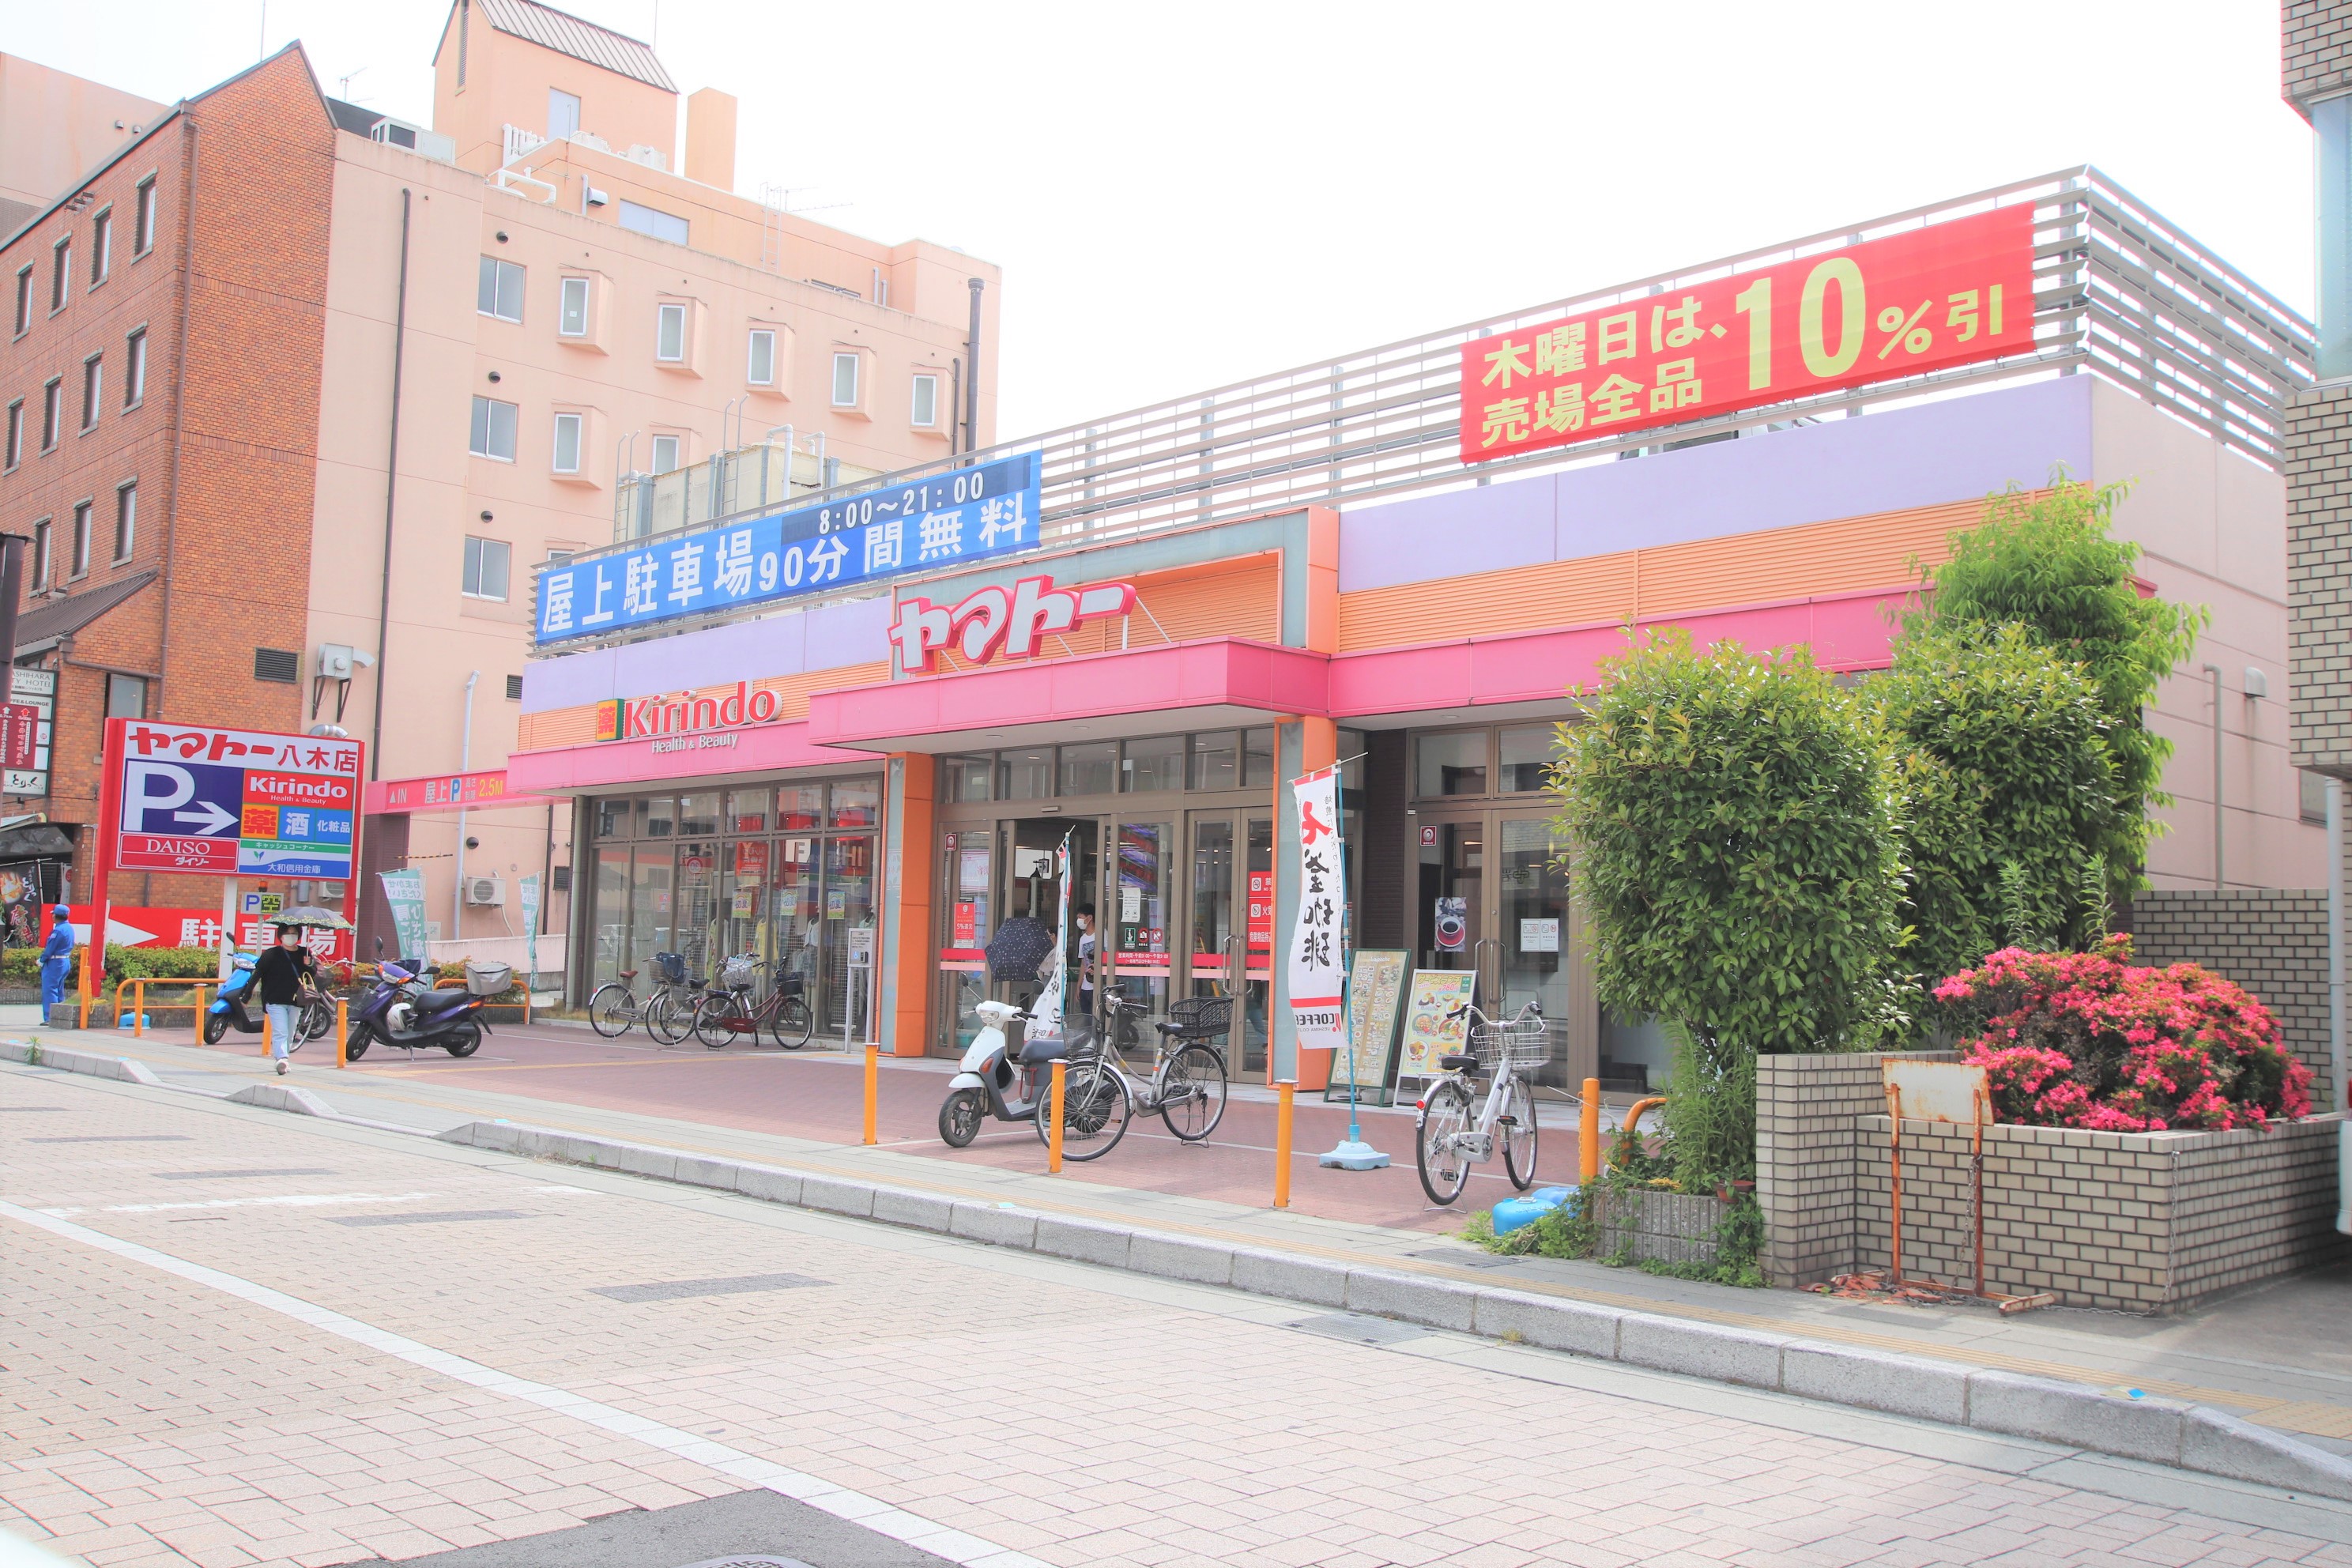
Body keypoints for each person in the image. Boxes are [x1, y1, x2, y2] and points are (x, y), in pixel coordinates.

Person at [252, 923, 318, 1074]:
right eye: (287, 933)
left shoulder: (304, 953)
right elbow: (257, 974)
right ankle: (281, 1058)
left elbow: (312, 974)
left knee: (290, 1031)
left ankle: (284, 1059)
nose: (291, 936)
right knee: (281, 1031)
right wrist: (246, 995)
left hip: (296, 1000)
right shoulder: (271, 954)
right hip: (274, 1000)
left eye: (294, 933)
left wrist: (309, 964)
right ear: (281, 936)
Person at [38, 904, 74, 1023]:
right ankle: (60, 1017)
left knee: (50, 990)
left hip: (55, 962)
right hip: (65, 961)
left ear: (55, 916)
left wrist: (41, 960)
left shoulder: (58, 930)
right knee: (59, 990)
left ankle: (50, 1018)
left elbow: (50, 948)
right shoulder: (69, 928)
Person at [1072, 904, 1098, 1024]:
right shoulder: (1083, 939)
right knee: (1087, 1022)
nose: (1079, 920)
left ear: (1089, 918)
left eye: (1080, 917)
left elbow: (1108, 958)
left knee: (1097, 1021)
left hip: (1097, 986)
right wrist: (1079, 986)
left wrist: (1097, 967)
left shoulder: (1102, 935)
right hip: (1085, 987)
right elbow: (1083, 963)